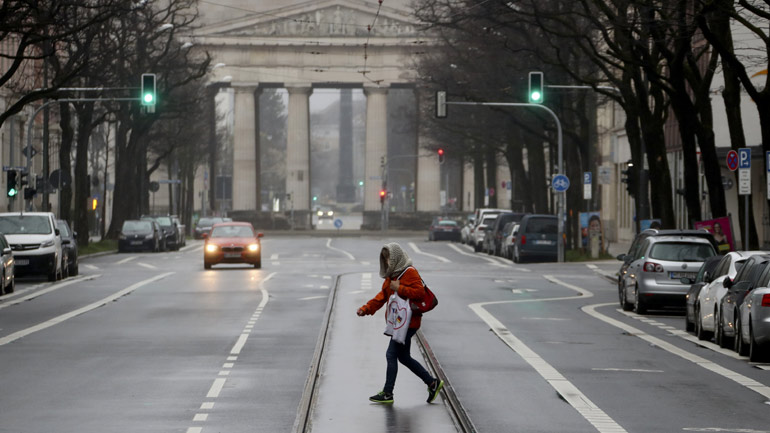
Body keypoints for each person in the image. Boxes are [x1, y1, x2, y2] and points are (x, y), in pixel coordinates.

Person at [356, 242, 444, 404]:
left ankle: (388, 393)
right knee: (403, 357)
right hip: (399, 323)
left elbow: (419, 292)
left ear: (397, 257)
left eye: (389, 258)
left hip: (409, 323)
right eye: (385, 259)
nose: (388, 261)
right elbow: (382, 296)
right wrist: (366, 308)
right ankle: (432, 383)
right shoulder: (392, 276)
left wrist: (400, 288)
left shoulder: (409, 272)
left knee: (391, 354)